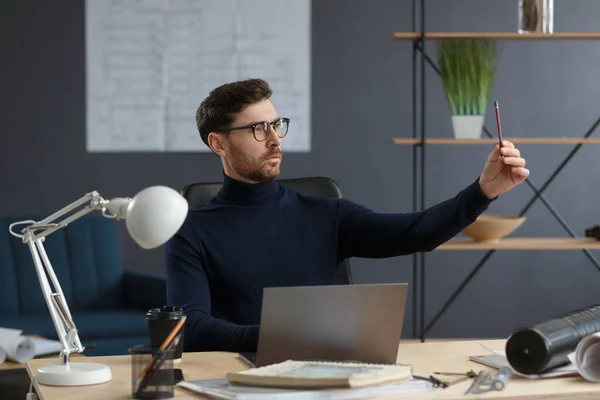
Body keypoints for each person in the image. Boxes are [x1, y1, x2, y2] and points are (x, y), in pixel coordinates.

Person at [164, 78, 530, 353]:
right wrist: (278, 335)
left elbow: (418, 232)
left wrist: (482, 191)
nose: (275, 139)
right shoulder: (191, 230)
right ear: (218, 144)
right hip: (238, 379)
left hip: (327, 371)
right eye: (258, 129)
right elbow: (189, 327)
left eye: (277, 124)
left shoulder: (324, 212)